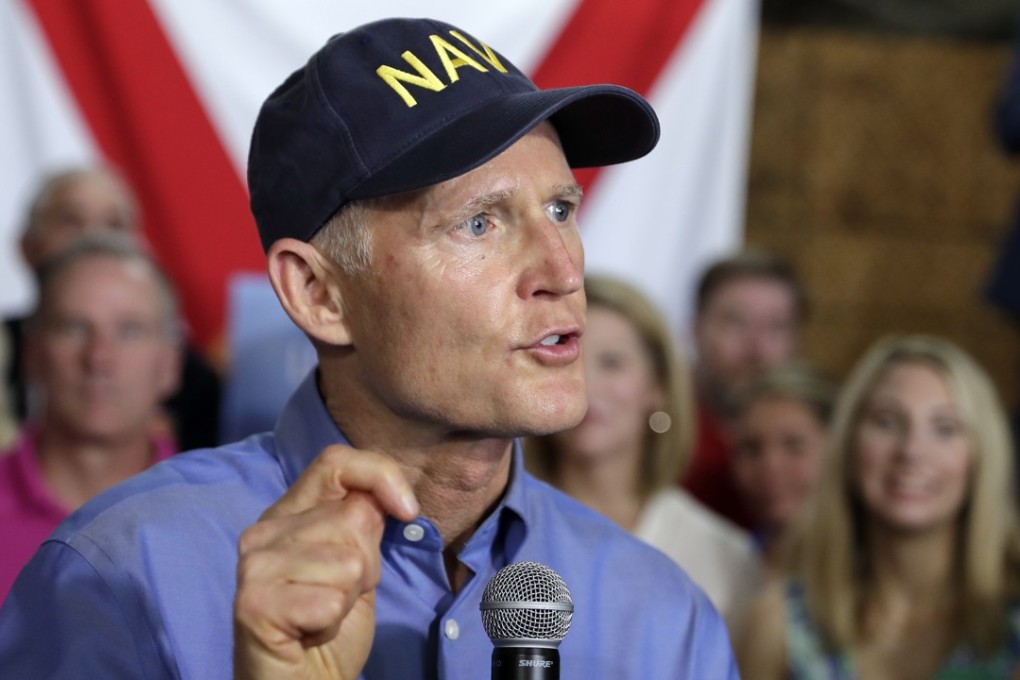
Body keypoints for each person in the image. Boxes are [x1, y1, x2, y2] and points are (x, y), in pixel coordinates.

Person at [0, 17, 738, 679]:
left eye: (559, 209)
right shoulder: (122, 576)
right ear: (319, 294)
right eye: (479, 224)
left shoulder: (665, 619)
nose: (564, 270)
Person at [735, 335, 1020, 679]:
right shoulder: (779, 624)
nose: (912, 451)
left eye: (945, 429)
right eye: (887, 422)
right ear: (847, 445)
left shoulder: (1013, 621)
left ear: (980, 458)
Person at [527, 274, 761, 626]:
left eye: (612, 363)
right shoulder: (494, 532)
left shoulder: (724, 557)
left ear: (658, 386)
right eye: (566, 355)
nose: (586, 384)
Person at [0, 234, 182, 601]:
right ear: (32, 353)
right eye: (74, 327)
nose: (99, 357)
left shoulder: (227, 524)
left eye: (129, 331)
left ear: (170, 364)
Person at [4, 165, 221, 451]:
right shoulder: (5, 346)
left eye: (113, 224)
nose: (94, 239)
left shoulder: (194, 381)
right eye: (71, 221)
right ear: (27, 246)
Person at [682, 249, 807, 528]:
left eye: (776, 327)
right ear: (695, 329)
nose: (757, 349)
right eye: (736, 322)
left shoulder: (825, 444)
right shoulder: (653, 435)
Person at [730, 360, 835, 579]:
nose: (770, 466)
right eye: (752, 449)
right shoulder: (729, 561)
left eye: (794, 445)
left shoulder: (873, 571)